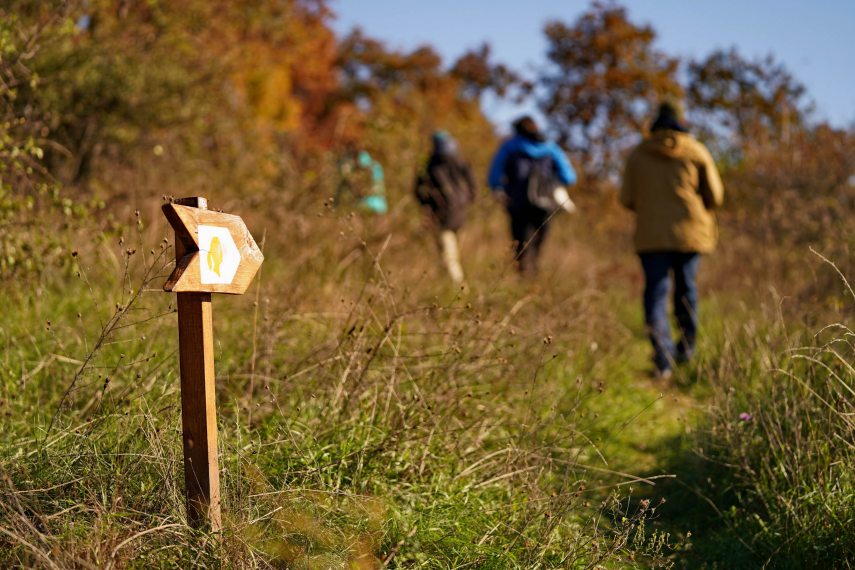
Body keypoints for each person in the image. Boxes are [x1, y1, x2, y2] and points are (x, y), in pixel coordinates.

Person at [620, 101, 725, 379]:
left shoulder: (638, 154)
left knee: (656, 291)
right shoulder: (697, 151)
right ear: (681, 121)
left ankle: (662, 358)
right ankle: (686, 350)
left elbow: (626, 198)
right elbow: (715, 196)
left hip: (651, 235)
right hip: (690, 234)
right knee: (686, 288)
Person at [488, 116, 577, 276]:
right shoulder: (550, 148)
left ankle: (523, 274)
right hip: (545, 205)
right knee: (538, 242)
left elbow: (495, 174)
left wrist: (499, 188)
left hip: (517, 203)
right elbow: (569, 177)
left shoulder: (510, 147)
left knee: (520, 242)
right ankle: (533, 272)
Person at [414, 131, 476, 284]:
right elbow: (473, 186)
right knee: (453, 254)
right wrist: (466, 199)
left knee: (448, 256)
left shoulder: (430, 164)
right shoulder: (459, 161)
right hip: (460, 214)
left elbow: (417, 190)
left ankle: (458, 289)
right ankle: (452, 286)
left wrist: (427, 204)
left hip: (441, 216)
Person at [335, 148, 388, 214]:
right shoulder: (374, 167)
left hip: (375, 204)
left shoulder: (373, 169)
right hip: (375, 205)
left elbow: (376, 186)